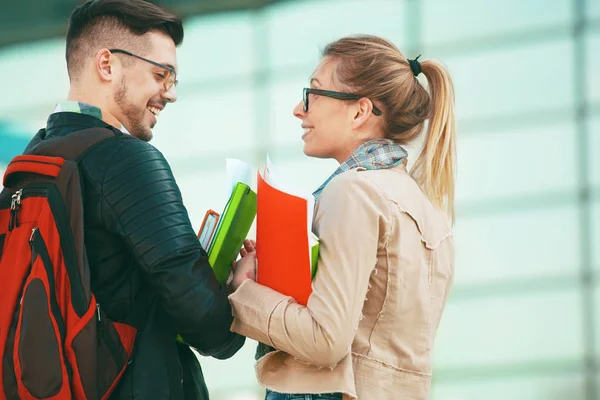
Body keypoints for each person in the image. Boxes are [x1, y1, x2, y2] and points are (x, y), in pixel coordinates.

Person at [23, 0, 245, 398]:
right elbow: (207, 325)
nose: (170, 94)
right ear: (107, 65)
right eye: (161, 74)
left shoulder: (34, 159)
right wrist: (235, 289)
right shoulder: (126, 160)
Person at [229, 34, 456, 400]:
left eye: (313, 93)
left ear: (359, 111)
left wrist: (244, 290)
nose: (299, 110)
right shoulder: (430, 213)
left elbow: (325, 341)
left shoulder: (353, 191)